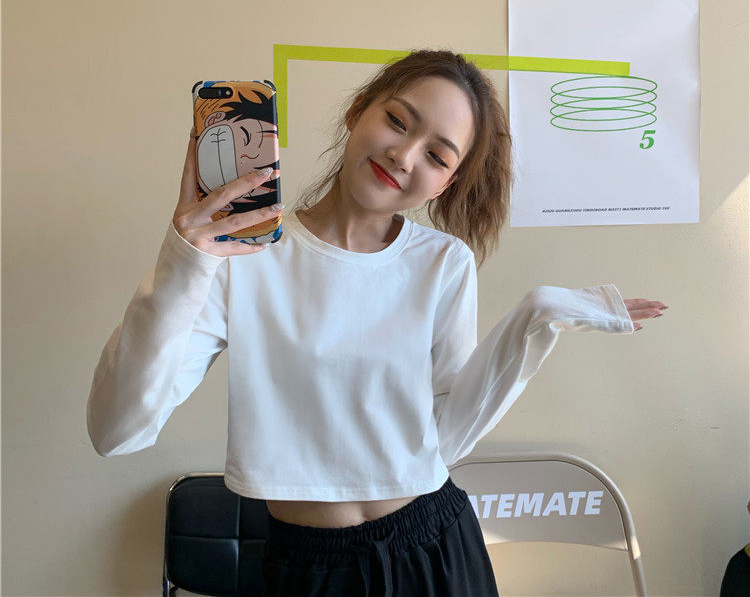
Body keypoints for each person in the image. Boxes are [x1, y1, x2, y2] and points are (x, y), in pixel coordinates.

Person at [86, 50, 667, 596]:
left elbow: (444, 442)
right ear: (357, 111)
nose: (404, 156)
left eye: (437, 156)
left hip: (435, 546)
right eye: (397, 121)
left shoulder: (443, 263)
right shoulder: (243, 257)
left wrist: (536, 317)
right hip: (306, 566)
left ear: (447, 183)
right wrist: (186, 260)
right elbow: (117, 431)